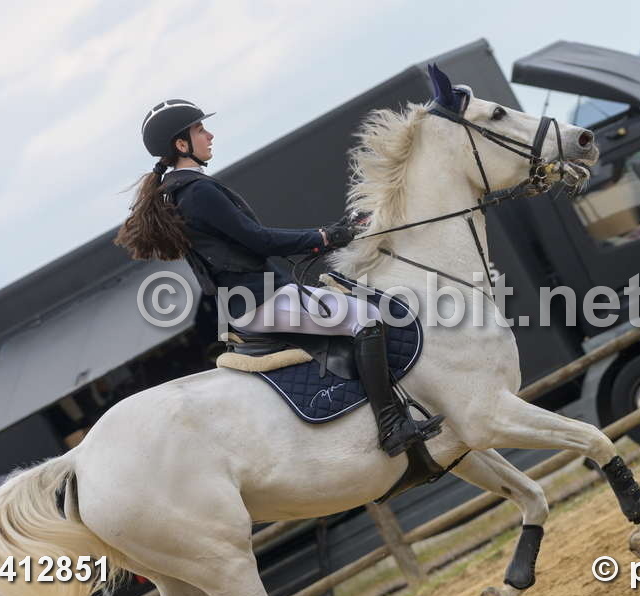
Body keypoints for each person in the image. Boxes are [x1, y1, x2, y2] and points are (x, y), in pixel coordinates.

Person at [114, 99, 443, 457]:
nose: (209, 135)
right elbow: (259, 240)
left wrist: (327, 234)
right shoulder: (197, 192)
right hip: (263, 300)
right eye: (199, 130)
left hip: (256, 298)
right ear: (181, 145)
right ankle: (392, 426)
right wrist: (324, 237)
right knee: (366, 319)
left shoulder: (181, 192)